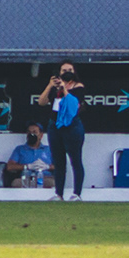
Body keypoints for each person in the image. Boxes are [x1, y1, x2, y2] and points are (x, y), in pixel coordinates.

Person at [37, 60, 86, 199]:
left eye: (70, 69)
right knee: (58, 161)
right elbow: (41, 102)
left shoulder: (78, 87)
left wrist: (63, 88)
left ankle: (77, 193)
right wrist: (50, 85)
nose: (67, 72)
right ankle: (59, 193)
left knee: (75, 159)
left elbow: (73, 104)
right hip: (55, 125)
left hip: (72, 126)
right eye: (64, 70)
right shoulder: (54, 87)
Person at [4, 122, 54, 188]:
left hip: (44, 178)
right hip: (26, 178)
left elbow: (60, 166)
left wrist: (47, 167)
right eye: (29, 132)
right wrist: (27, 166)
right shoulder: (20, 149)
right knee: (16, 182)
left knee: (51, 182)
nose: (31, 134)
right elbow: (10, 167)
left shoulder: (49, 149)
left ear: (41, 135)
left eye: (34, 132)